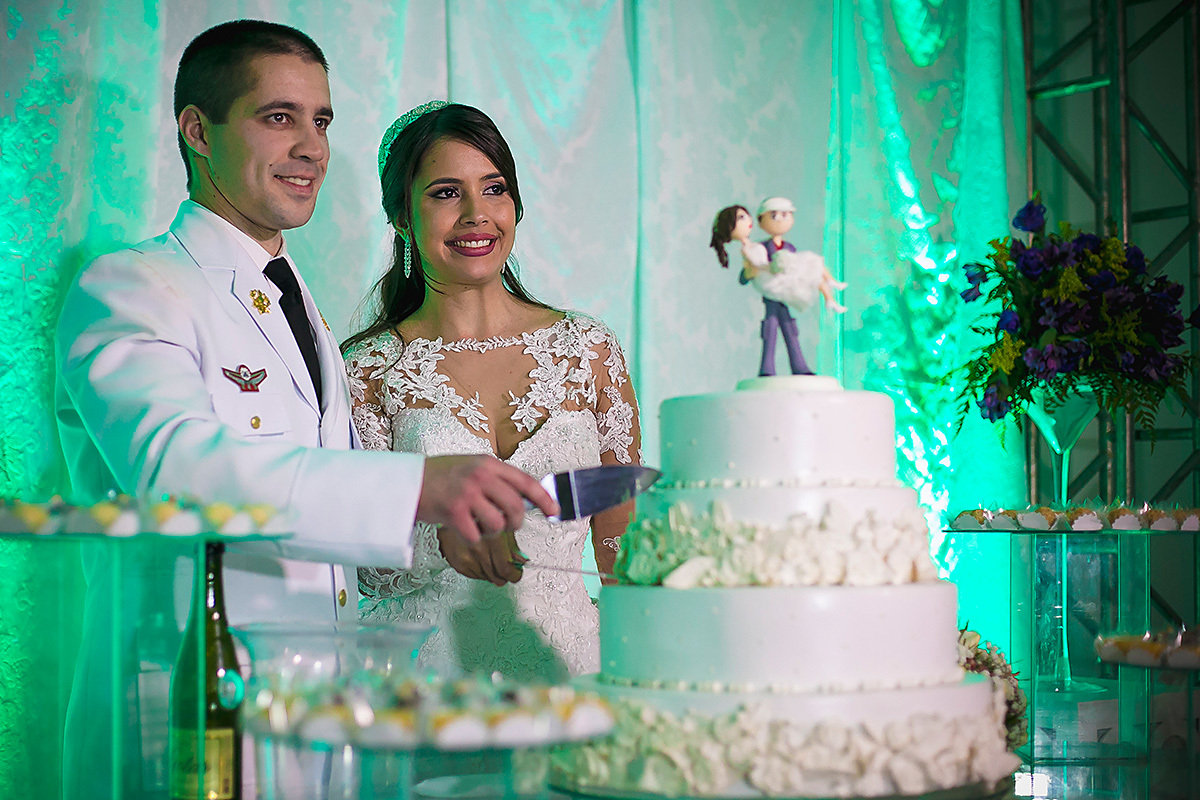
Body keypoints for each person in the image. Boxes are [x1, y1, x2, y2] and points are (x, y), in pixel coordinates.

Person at [55, 23, 555, 798]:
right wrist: (420, 486)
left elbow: (317, 514)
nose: (312, 147)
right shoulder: (131, 287)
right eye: (278, 117)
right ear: (197, 131)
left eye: (321, 122)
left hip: (317, 733)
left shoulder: (303, 307)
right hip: (190, 725)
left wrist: (433, 535)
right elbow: (177, 472)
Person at [343, 101, 641, 681]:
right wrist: (439, 534)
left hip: (572, 677)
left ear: (516, 204)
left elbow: (622, 552)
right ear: (402, 215)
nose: (477, 215)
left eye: (494, 187)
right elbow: (365, 570)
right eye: (446, 193)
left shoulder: (589, 350)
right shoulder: (367, 370)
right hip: (426, 688)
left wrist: (639, 682)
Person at [710, 198, 845, 377]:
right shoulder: (757, 248)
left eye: (745, 216)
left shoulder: (787, 247)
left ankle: (799, 367)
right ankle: (767, 369)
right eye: (741, 218)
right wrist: (750, 273)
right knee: (771, 330)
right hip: (771, 293)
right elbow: (746, 275)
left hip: (784, 290)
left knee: (789, 328)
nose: (781, 220)